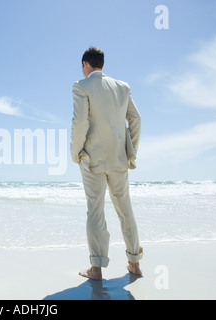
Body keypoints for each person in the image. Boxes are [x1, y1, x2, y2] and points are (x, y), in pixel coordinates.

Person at [70, 47, 143, 281]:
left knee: (95, 210)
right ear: (101, 64)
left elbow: (79, 121)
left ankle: (96, 269)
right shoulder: (122, 87)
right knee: (125, 209)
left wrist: (76, 153)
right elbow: (136, 119)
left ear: (85, 64)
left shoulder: (82, 86)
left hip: (92, 160)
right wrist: (130, 151)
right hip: (119, 159)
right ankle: (134, 263)